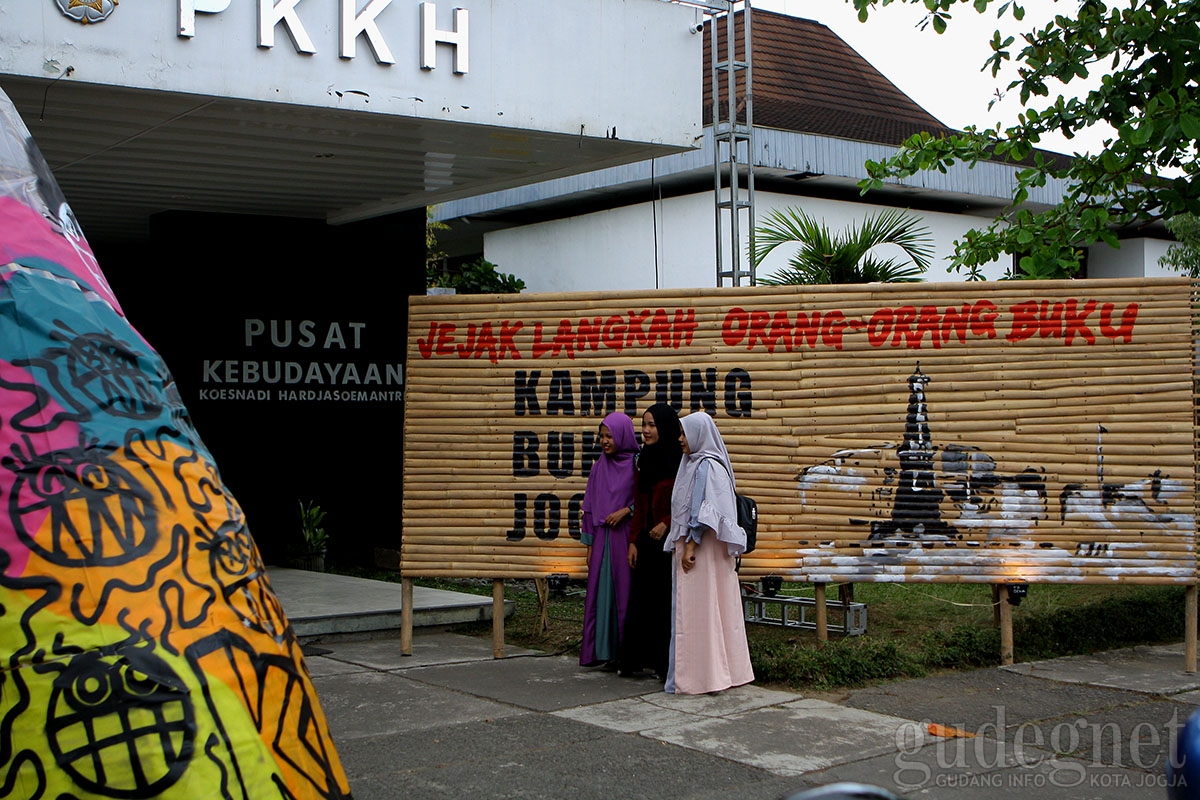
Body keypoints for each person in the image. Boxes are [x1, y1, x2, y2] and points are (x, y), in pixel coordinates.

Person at [663, 412, 754, 695]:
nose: (680, 440)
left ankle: (700, 677)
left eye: (684, 434)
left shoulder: (705, 466)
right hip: (709, 552)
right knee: (715, 608)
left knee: (698, 611)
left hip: (701, 551)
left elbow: (704, 510)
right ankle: (718, 674)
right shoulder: (697, 464)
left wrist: (691, 543)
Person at [618, 403, 682, 679]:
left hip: (669, 543)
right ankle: (634, 660)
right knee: (641, 600)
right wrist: (633, 540)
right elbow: (639, 503)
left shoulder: (680, 460)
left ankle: (662, 663)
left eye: (652, 425)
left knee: (662, 603)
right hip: (646, 541)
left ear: (665, 427)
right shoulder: (643, 460)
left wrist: (666, 523)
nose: (645, 430)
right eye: (644, 424)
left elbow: (686, 502)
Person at [579, 411, 638, 668]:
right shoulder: (599, 466)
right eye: (601, 436)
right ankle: (601, 652)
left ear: (623, 435)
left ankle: (625, 655)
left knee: (624, 595)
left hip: (626, 538)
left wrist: (627, 510)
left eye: (609, 436)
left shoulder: (636, 464)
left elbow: (645, 500)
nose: (604, 441)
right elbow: (589, 507)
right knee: (601, 597)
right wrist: (589, 543)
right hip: (603, 539)